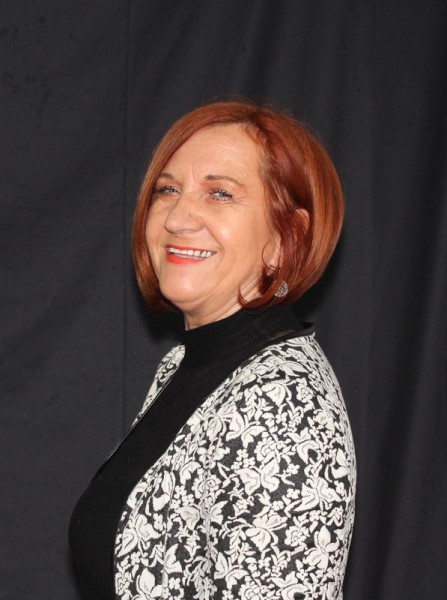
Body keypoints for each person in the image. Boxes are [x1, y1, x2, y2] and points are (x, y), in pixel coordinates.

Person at [69, 101, 356, 600]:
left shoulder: (281, 402)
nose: (178, 217)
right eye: (167, 190)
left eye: (219, 193)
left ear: (286, 238)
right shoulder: (186, 365)